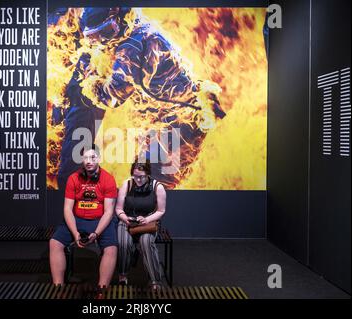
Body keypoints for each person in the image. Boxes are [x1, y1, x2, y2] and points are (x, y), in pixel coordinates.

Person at [52, 7, 226, 189]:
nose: (103, 41)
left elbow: (111, 96)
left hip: (180, 122)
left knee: (152, 180)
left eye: (107, 32)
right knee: (147, 179)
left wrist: (89, 79)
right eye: (95, 37)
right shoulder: (138, 31)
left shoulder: (132, 45)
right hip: (164, 121)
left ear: (120, 19)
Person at [49, 146, 118, 289]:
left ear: (98, 159)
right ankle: (57, 288)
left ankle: (102, 290)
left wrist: (96, 233)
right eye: (85, 158)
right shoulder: (73, 178)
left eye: (92, 158)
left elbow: (109, 212)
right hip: (77, 219)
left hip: (100, 220)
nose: (89, 161)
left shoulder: (108, 179)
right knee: (54, 243)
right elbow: (67, 209)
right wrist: (75, 233)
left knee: (111, 249)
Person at [115, 158, 167, 290]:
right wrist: (125, 218)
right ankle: (122, 276)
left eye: (142, 177)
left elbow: (161, 211)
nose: (138, 180)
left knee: (146, 242)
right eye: (135, 176)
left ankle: (155, 281)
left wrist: (147, 219)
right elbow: (118, 209)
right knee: (123, 242)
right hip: (128, 220)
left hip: (148, 222)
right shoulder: (127, 184)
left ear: (148, 174)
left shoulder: (157, 187)